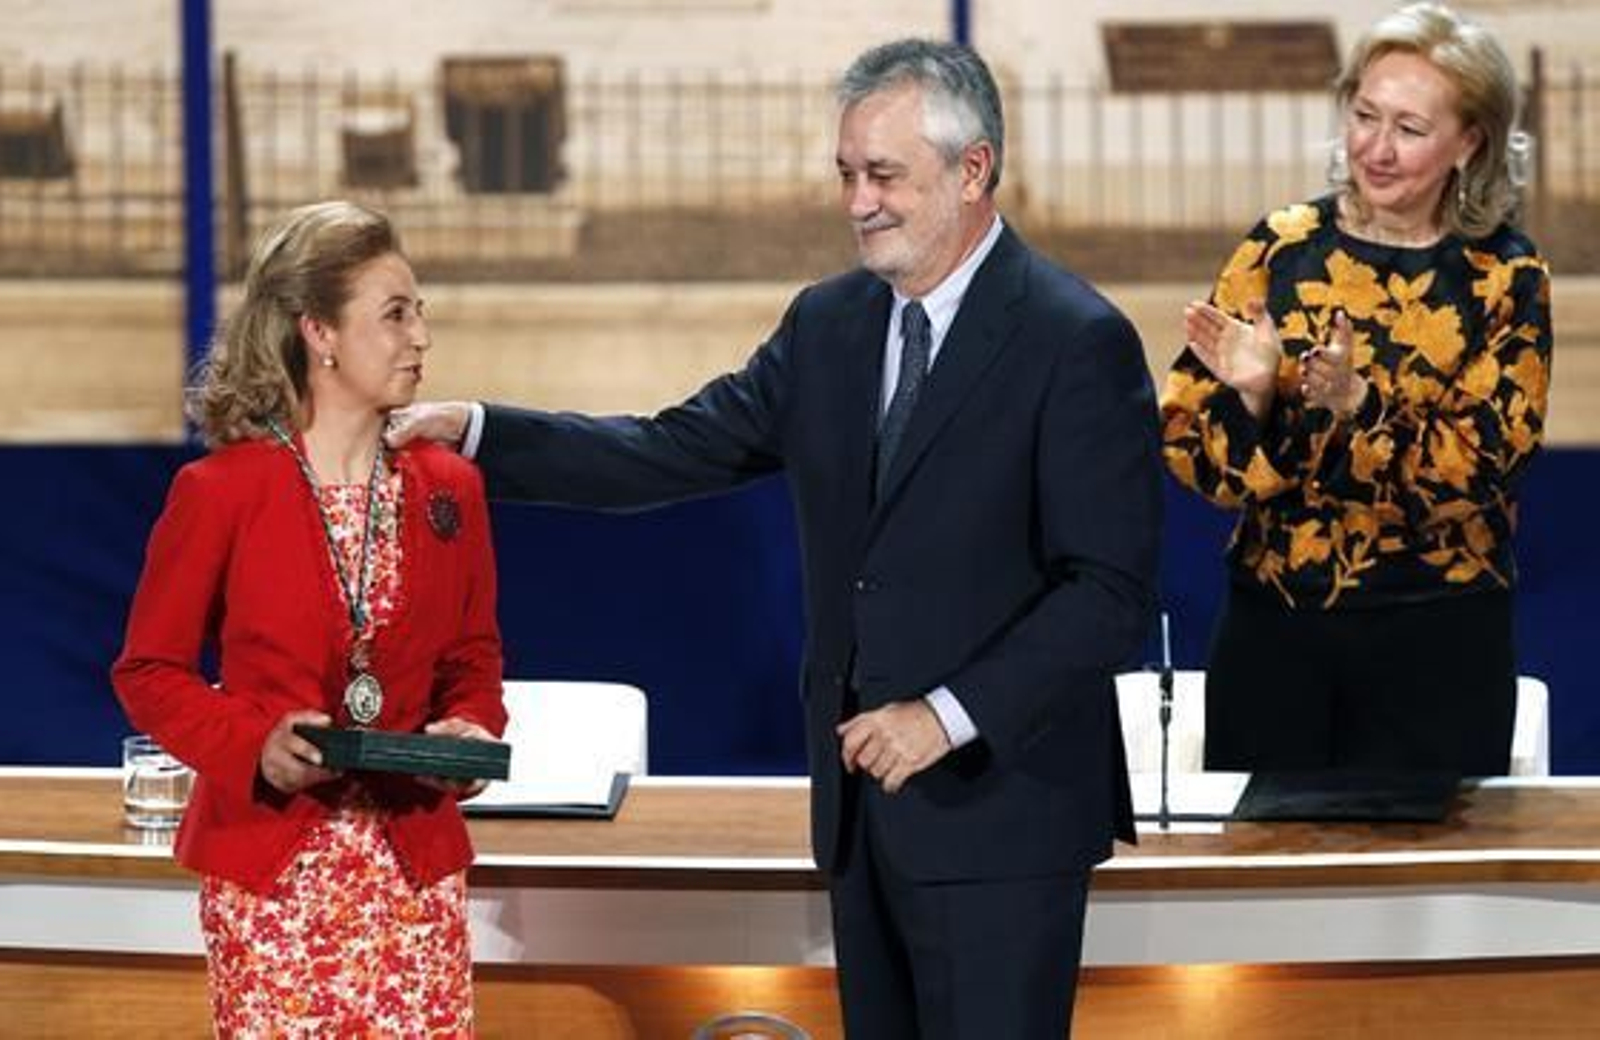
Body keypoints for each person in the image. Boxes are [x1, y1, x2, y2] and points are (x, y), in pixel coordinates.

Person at [388, 38, 1162, 1038]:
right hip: (858, 818)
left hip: (1003, 821)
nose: (857, 202)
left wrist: (942, 714)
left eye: (884, 174)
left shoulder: (1074, 340)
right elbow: (670, 449)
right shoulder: (828, 325)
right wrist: (485, 435)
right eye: (846, 173)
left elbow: (1107, 594)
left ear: (973, 171)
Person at [111, 201, 506, 1035]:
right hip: (276, 881)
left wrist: (469, 730)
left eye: (420, 311)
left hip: (412, 878)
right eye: (394, 314)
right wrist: (253, 747)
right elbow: (149, 672)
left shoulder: (449, 490)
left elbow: (472, 660)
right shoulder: (221, 493)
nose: (420, 336)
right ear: (318, 332)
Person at [1162, 2, 1551, 776]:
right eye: (1364, 115)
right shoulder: (1282, 246)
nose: (1375, 148)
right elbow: (1190, 453)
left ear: (1469, 141)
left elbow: (1486, 469)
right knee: (1270, 891)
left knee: (1431, 897)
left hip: (1437, 643)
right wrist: (1257, 396)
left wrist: (1360, 405)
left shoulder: (1506, 275)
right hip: (1274, 637)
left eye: (1409, 129)